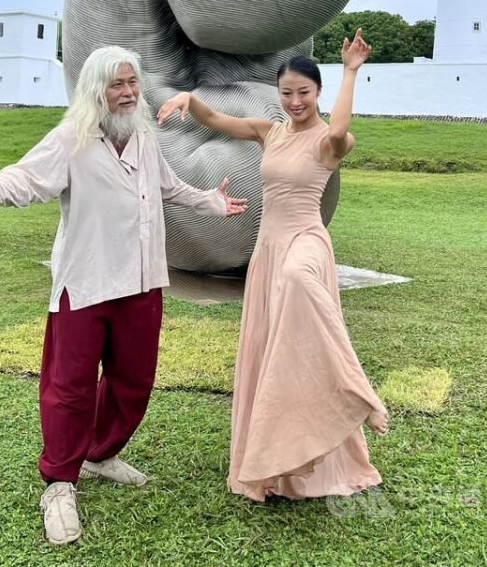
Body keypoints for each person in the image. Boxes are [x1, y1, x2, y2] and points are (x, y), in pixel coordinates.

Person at [0, 46, 247, 544]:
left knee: (133, 381)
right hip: (86, 282)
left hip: (140, 281)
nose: (129, 92)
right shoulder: (71, 140)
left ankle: (99, 454)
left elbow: (171, 189)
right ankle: (60, 483)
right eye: (117, 84)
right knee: (69, 388)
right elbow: (26, 178)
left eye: (133, 82)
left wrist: (213, 202)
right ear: (96, 89)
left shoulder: (144, 140)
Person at [157, 29, 388, 501]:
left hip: (305, 242)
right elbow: (220, 119)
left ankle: (351, 384)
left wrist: (350, 72)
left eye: (303, 93)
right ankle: (280, 465)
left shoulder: (330, 143)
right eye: (287, 93)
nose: (294, 101)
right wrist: (187, 99)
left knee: (299, 279)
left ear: (317, 93)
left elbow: (340, 130)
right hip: (268, 247)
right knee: (274, 348)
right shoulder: (270, 132)